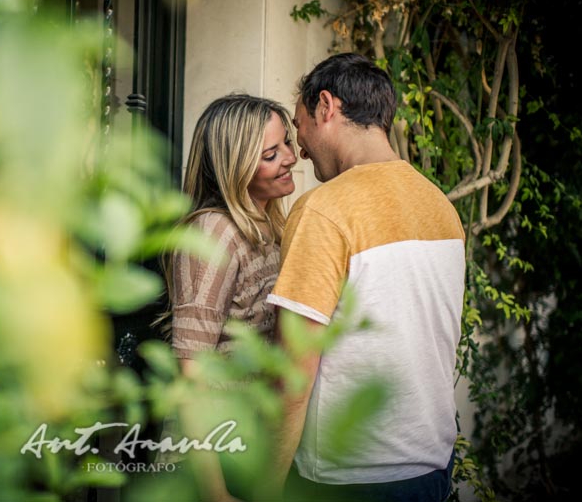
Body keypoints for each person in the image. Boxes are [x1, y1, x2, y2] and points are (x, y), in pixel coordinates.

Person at [268, 52, 465, 502]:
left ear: (326, 107)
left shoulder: (324, 208)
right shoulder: (441, 207)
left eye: (300, 125)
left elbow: (293, 374)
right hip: (432, 467)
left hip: (347, 475)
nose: (299, 147)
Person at [162, 93, 298, 501]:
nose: (291, 157)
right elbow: (192, 376)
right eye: (271, 153)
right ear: (234, 168)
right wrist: (215, 493)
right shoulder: (212, 233)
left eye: (287, 142)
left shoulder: (266, 226)